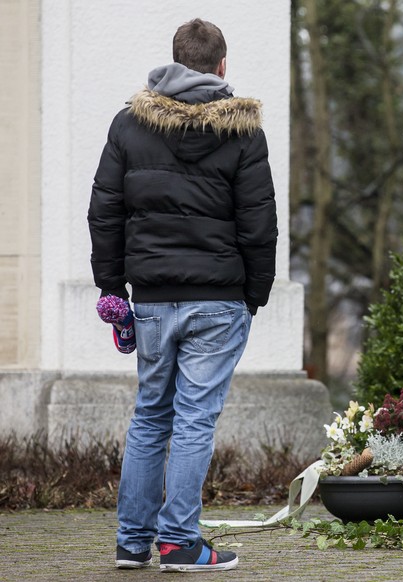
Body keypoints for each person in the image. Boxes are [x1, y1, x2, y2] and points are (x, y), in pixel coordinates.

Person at [87, 18, 278, 572]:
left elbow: (105, 213)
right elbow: (258, 223)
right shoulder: (244, 132)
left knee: (150, 415)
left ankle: (131, 543)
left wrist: (111, 288)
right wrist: (255, 295)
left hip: (150, 297)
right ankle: (178, 543)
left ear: (172, 63)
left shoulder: (129, 125)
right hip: (219, 299)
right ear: (222, 66)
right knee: (194, 419)